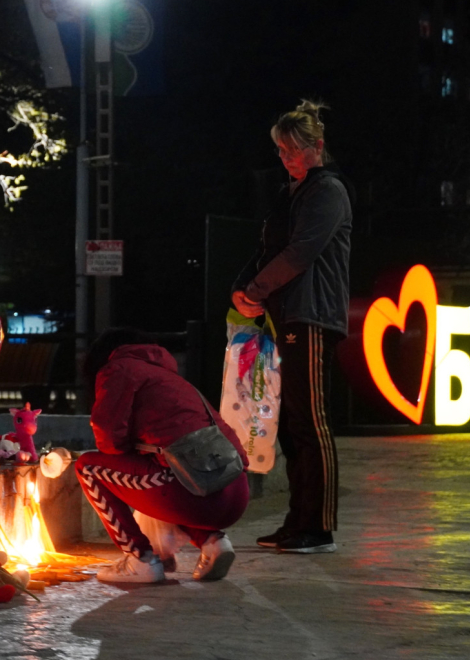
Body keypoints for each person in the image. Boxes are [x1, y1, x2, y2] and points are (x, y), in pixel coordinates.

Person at [232, 100, 353, 554]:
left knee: (310, 421)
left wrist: (255, 290)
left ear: (317, 147)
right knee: (291, 423)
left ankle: (317, 527)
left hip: (312, 315)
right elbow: (270, 247)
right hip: (287, 315)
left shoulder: (328, 191)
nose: (286, 158)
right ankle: (299, 522)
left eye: (293, 150)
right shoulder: (295, 193)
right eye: (281, 151)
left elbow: (300, 252)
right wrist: (241, 289)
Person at [75, 328, 250, 583]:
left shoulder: (118, 369)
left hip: (199, 498)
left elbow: (108, 440)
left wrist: (127, 448)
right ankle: (213, 543)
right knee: (161, 474)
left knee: (87, 467)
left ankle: (140, 560)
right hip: (236, 492)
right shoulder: (170, 378)